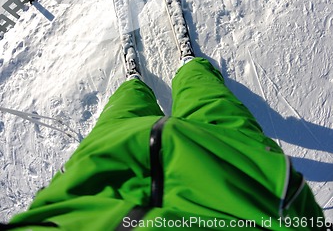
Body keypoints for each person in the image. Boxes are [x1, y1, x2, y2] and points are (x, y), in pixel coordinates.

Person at [3, 56, 327, 230]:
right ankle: (191, 69)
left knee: (122, 116)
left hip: (103, 173)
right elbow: (302, 210)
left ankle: (136, 84)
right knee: (213, 104)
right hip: (239, 175)